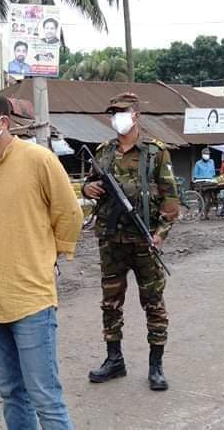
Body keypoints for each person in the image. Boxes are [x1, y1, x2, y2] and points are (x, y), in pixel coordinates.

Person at [0, 89, 82, 429]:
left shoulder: (39, 160)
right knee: (12, 392)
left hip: (31, 298)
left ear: (3, 121)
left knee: (45, 397)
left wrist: (49, 256)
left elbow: (69, 214)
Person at [82, 92, 179, 391]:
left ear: (136, 115)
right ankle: (114, 360)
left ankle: (156, 366)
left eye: (122, 111)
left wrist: (160, 235)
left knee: (153, 303)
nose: (117, 117)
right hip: (111, 240)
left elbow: (171, 200)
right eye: (113, 112)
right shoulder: (103, 151)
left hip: (144, 240)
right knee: (110, 302)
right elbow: (88, 184)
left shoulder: (155, 152)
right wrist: (89, 190)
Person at [192, 147, 217, 220]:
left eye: (208, 154)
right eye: (205, 154)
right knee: (201, 199)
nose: (207, 155)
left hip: (209, 183)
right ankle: (201, 214)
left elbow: (213, 173)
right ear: (202, 155)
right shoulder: (198, 163)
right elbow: (195, 175)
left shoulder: (211, 162)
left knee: (208, 199)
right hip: (200, 183)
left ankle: (206, 214)